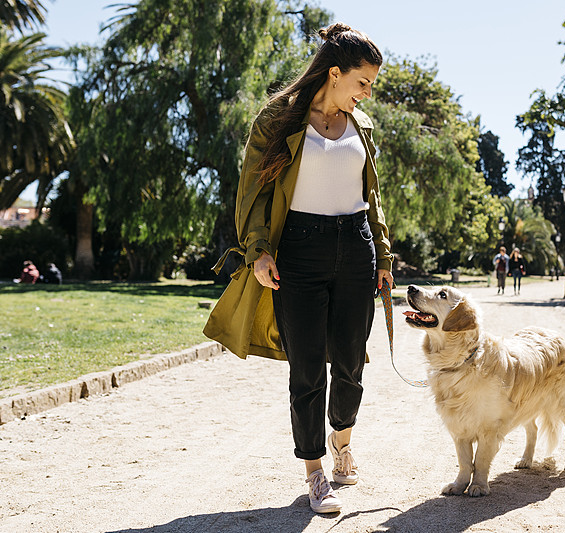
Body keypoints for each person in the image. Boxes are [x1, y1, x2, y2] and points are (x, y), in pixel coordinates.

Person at [203, 23, 393, 515]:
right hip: (299, 253)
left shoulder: (362, 126)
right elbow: (252, 193)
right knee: (307, 367)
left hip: (355, 247)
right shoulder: (279, 120)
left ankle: (342, 443)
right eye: (363, 82)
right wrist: (259, 250)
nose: (367, 92)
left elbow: (374, 200)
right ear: (335, 73)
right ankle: (314, 473)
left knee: (351, 362)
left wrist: (384, 256)